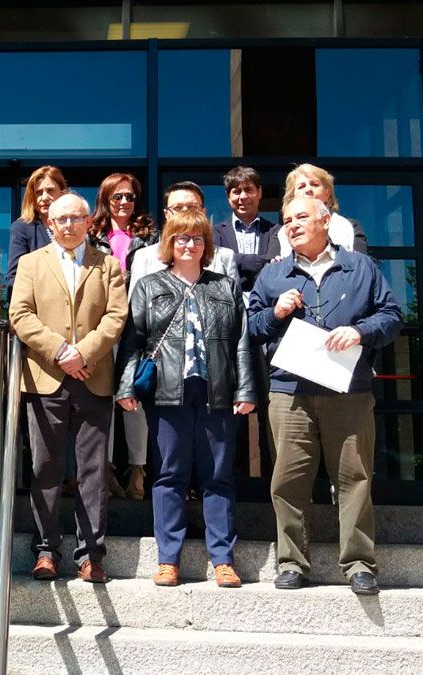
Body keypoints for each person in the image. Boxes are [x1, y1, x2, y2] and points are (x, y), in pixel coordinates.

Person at [249, 195, 402, 596]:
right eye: (286, 220)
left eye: (301, 217)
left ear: (326, 220)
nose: (292, 225)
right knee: (288, 481)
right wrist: (275, 313)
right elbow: (251, 328)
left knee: (354, 478)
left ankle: (359, 564)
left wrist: (361, 332)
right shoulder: (273, 274)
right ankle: (291, 563)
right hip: (290, 393)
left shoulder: (360, 267)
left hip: (348, 392)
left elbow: (392, 315)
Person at [114, 209, 256, 589]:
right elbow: (134, 340)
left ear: (206, 245)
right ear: (170, 245)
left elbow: (241, 342)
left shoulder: (225, 286)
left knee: (218, 477)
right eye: (181, 238)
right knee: (169, 476)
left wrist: (245, 390)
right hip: (167, 392)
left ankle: (223, 559)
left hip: (217, 392)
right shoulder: (149, 286)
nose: (189, 244)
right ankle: (167, 559)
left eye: (195, 238)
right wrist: (126, 386)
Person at [9, 192, 128, 584]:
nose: (69, 225)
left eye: (76, 218)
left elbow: (115, 316)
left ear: (89, 222)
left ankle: (91, 553)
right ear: (50, 225)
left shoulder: (107, 265)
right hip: (46, 376)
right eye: (61, 220)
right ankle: (46, 549)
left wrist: (83, 353)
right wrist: (60, 351)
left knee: (93, 469)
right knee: (45, 467)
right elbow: (19, 314)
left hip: (92, 377)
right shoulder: (30, 263)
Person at [89, 172, 157, 500]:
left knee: (133, 399)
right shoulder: (92, 233)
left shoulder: (148, 233)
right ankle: (104, 469)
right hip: (100, 325)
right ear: (106, 199)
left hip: (135, 325)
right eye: (117, 197)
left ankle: (138, 469)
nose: (124, 203)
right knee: (102, 397)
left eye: (129, 197)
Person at [212, 166, 281, 293]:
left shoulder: (276, 231)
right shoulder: (215, 233)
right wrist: (263, 261)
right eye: (237, 191)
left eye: (249, 190)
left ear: (259, 192)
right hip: (229, 305)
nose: (243, 197)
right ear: (228, 196)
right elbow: (217, 266)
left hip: (266, 305)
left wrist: (235, 260)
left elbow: (274, 269)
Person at [276, 163, 368, 257]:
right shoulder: (280, 234)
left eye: (315, 184)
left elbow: (361, 266)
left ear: (327, 194)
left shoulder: (350, 227)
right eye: (301, 186)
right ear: (293, 196)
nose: (308, 189)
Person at [6, 165, 67, 289]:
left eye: (50, 190)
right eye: (38, 192)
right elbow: (15, 277)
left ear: (62, 193)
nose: (44, 197)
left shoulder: (76, 225)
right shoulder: (22, 228)